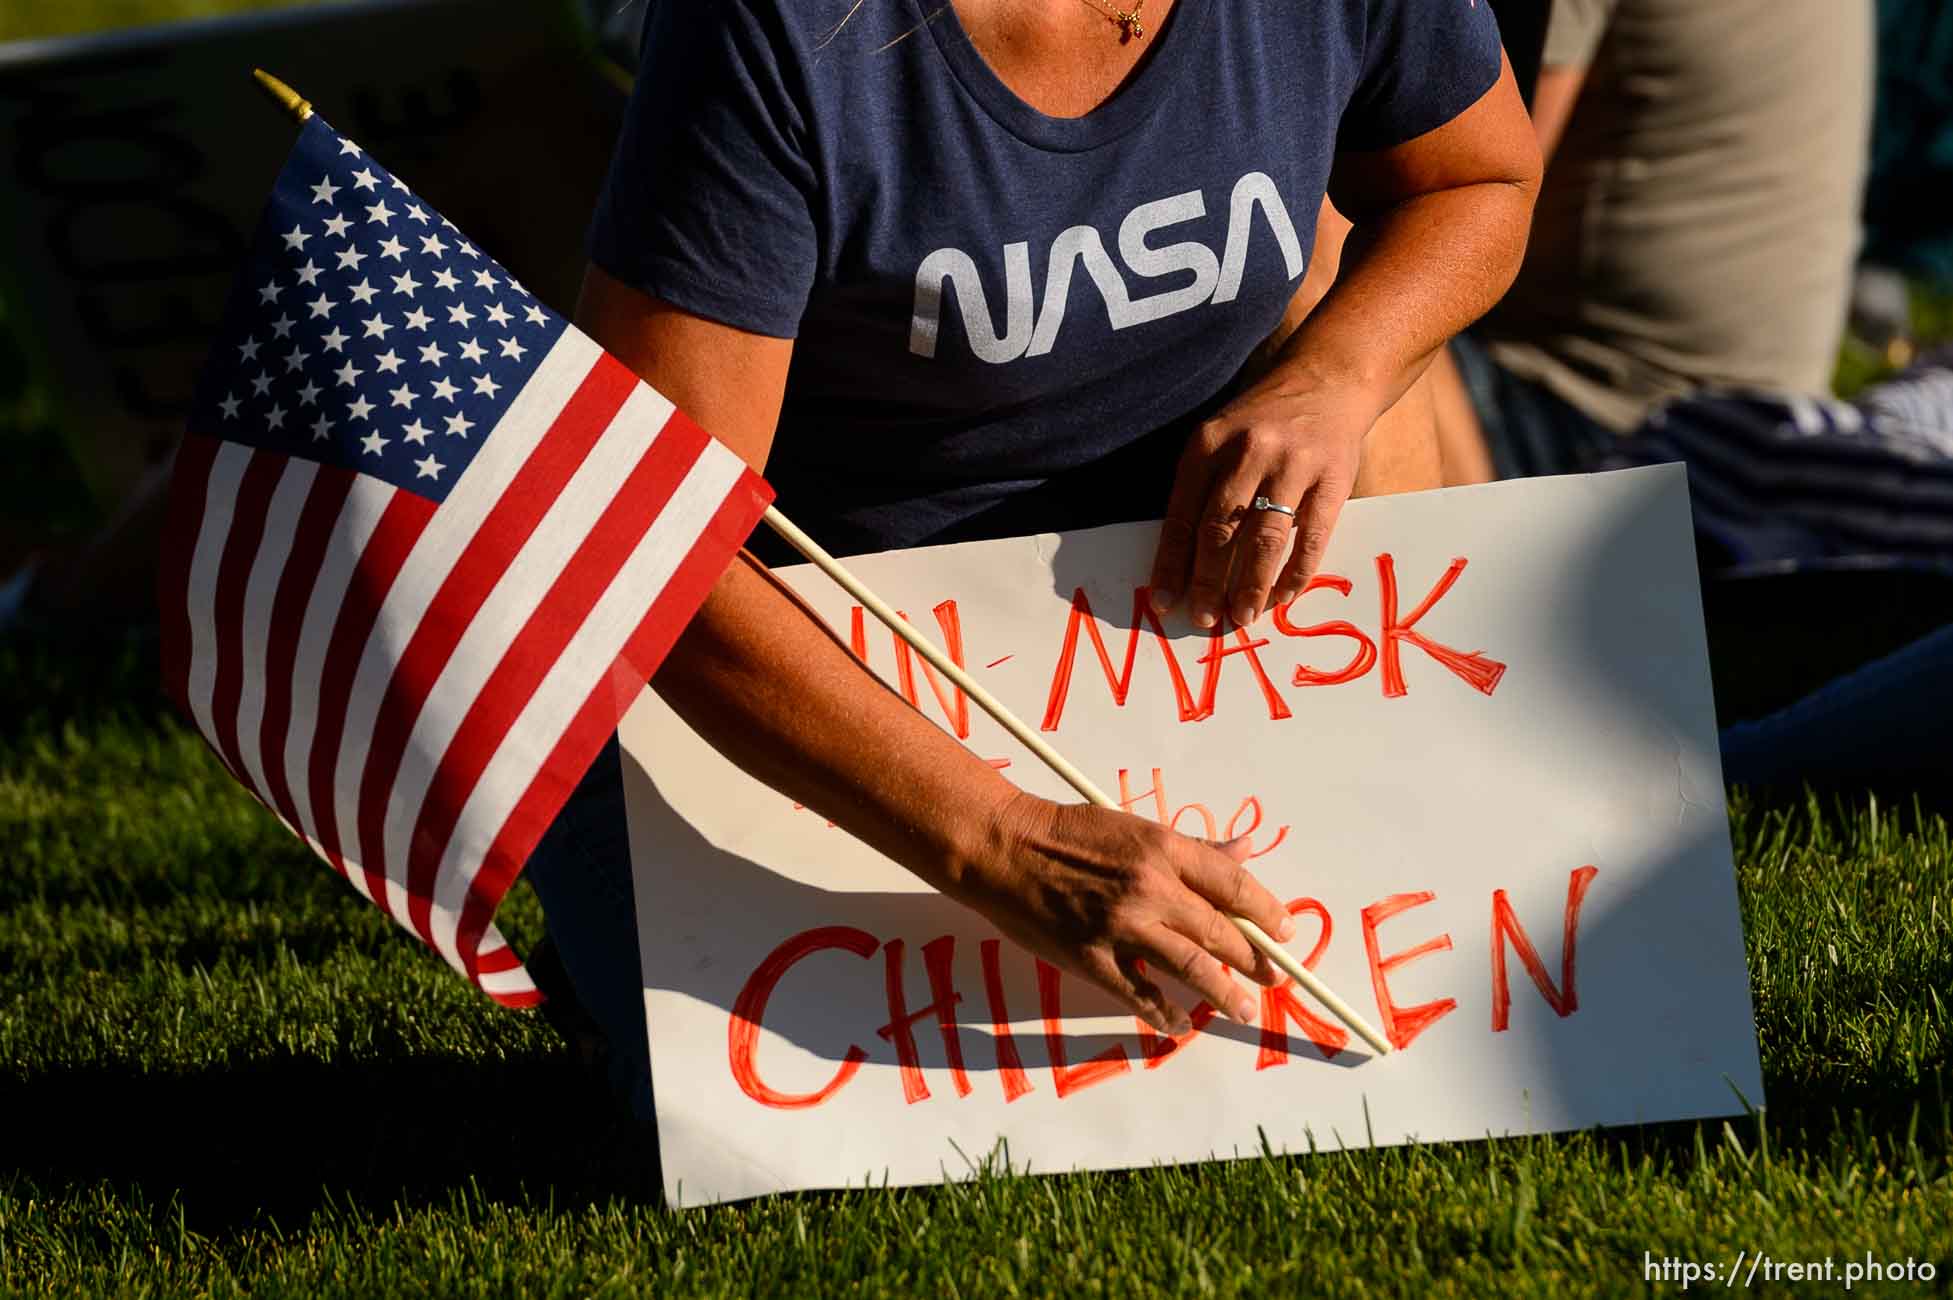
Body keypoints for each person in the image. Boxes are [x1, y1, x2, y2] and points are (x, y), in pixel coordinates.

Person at [525, 0, 1542, 1116]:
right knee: (709, 1109)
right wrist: (1006, 844)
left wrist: (1339, 372)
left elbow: (1477, 178)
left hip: (1186, 653)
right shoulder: (769, 30)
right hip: (812, 702)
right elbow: (653, 543)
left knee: (1375, 361)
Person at [1430, 0, 1876, 483]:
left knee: (1347, 254)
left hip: (1600, 421)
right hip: (1773, 427)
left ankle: (1469, 534)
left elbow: (1463, 193)